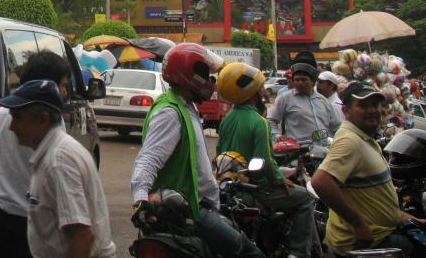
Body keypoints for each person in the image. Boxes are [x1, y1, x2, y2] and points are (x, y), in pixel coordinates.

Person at [131, 43, 262, 258]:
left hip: (201, 203)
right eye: (206, 74)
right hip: (192, 210)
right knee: (250, 253)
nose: (210, 81)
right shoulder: (170, 113)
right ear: (189, 74)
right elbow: (148, 159)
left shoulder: (186, 107)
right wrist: (140, 199)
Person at [0, 79, 115, 258]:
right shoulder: (53, 153)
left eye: (18, 118)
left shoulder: (59, 163)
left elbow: (82, 236)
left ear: (43, 119)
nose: (11, 127)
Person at [0, 50, 73, 258]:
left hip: (1, 220)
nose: (65, 93)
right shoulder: (49, 122)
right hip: (37, 224)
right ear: (47, 86)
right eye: (63, 86)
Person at [217, 61, 317, 258]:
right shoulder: (259, 122)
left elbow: (221, 151)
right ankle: (298, 252)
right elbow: (265, 161)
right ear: (251, 91)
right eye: (260, 87)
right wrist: (280, 180)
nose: (264, 91)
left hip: (232, 185)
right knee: (305, 199)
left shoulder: (227, 118)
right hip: (259, 187)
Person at [311, 82, 425, 255]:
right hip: (374, 242)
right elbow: (320, 182)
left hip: (382, 233)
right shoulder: (350, 141)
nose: (372, 110)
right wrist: (358, 224)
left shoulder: (364, 137)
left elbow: (371, 199)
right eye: (363, 106)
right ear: (346, 111)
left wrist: (408, 218)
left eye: (375, 105)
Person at [268, 57, 341, 144]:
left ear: (313, 81)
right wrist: (277, 136)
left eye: (303, 79)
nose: (300, 82)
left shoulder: (323, 101)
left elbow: (335, 126)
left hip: (323, 150)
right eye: (297, 80)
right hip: (297, 151)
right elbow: (271, 120)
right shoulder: (285, 98)